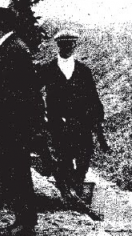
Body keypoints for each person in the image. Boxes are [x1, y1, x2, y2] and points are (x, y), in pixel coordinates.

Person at [0, 7, 45, 235]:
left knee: (18, 174)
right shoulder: (12, 47)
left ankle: (26, 223)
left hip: (13, 124)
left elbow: (14, 93)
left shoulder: (13, 50)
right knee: (16, 173)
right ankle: (23, 219)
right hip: (11, 123)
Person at [38, 29, 106, 203]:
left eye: (71, 44)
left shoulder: (84, 71)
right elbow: (34, 91)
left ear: (75, 45)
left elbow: (93, 97)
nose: (67, 47)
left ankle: (76, 187)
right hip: (57, 123)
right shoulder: (48, 69)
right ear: (58, 45)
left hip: (81, 122)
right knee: (64, 158)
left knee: (84, 156)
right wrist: (43, 113)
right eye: (63, 44)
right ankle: (69, 194)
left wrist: (98, 123)